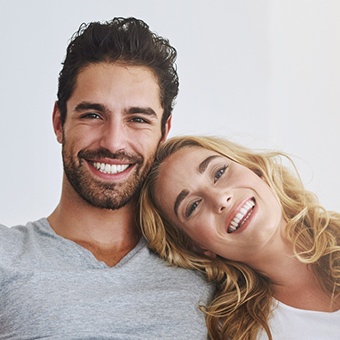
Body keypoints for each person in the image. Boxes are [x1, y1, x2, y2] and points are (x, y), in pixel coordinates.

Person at [0, 18, 213, 339]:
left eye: (138, 119)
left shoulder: (207, 263)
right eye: (92, 115)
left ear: (163, 132)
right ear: (60, 122)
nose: (113, 142)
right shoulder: (6, 255)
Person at [140, 135, 340, 340]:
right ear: (198, 246)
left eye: (219, 172)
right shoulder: (241, 335)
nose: (220, 199)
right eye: (193, 206)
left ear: (255, 170)